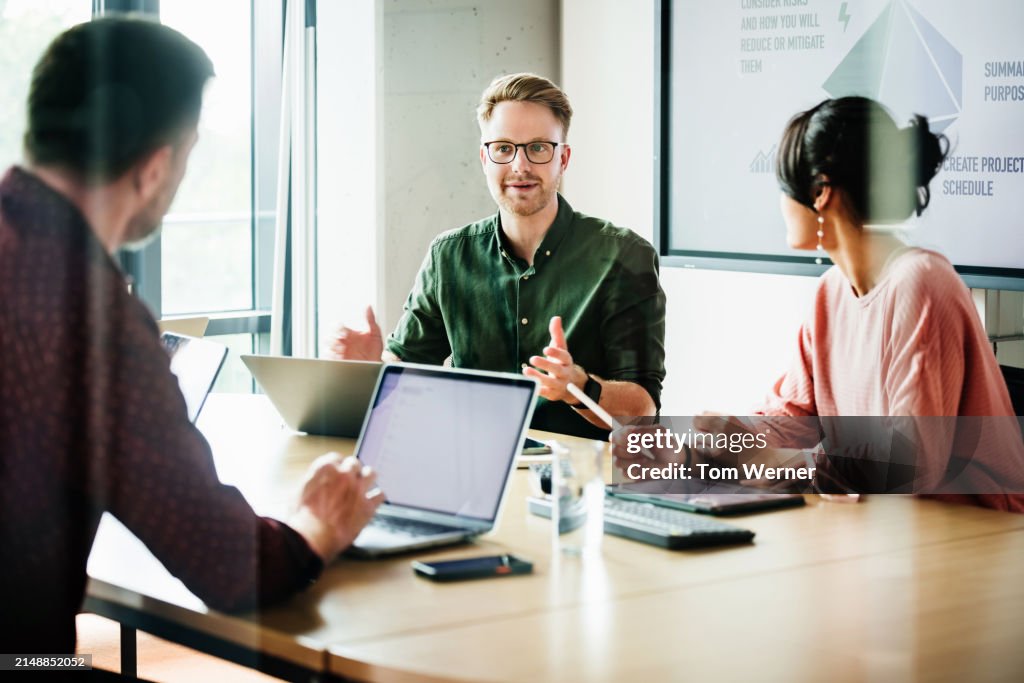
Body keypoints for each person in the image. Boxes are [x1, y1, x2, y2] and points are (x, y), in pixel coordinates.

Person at [0, 17, 383, 654]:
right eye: (188, 152)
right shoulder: (91, 315)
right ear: (154, 168)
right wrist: (317, 524)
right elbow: (229, 565)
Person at [612, 96, 1024, 510]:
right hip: (890, 523)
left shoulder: (921, 284)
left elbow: (910, 462)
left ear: (820, 191)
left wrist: (782, 463)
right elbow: (789, 422)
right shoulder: (831, 293)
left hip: (982, 528)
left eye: (783, 188)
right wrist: (691, 454)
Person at [332, 73, 666, 439]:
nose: (520, 166)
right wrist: (368, 372)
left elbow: (643, 412)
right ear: (484, 158)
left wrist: (578, 386)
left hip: (576, 470)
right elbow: (404, 374)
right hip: (471, 462)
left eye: (538, 147)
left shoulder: (623, 255)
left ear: (563, 158)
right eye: (504, 148)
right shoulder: (449, 256)